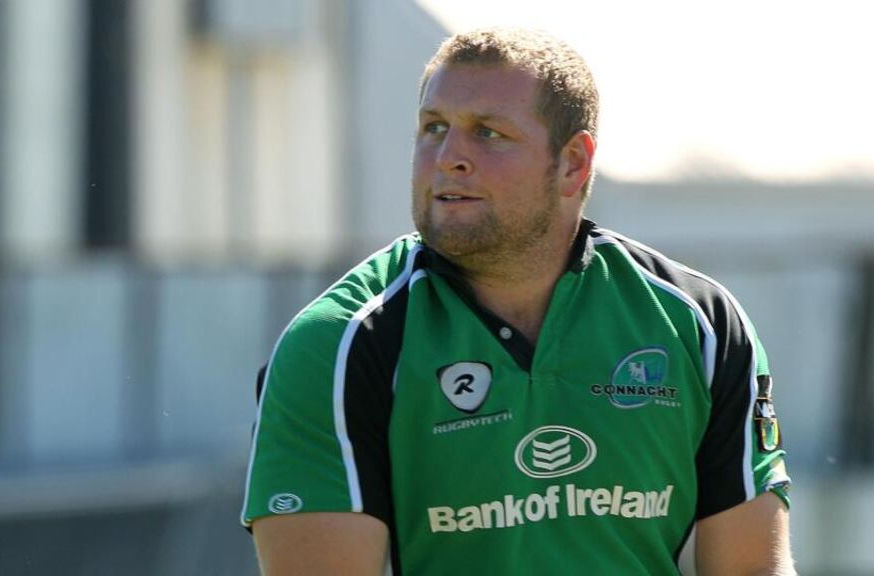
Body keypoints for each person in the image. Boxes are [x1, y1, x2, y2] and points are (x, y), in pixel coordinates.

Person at [241, 27, 794, 576]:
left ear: (573, 163)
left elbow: (752, 567)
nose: (448, 157)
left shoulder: (697, 324)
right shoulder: (336, 344)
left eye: (488, 133)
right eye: (433, 128)